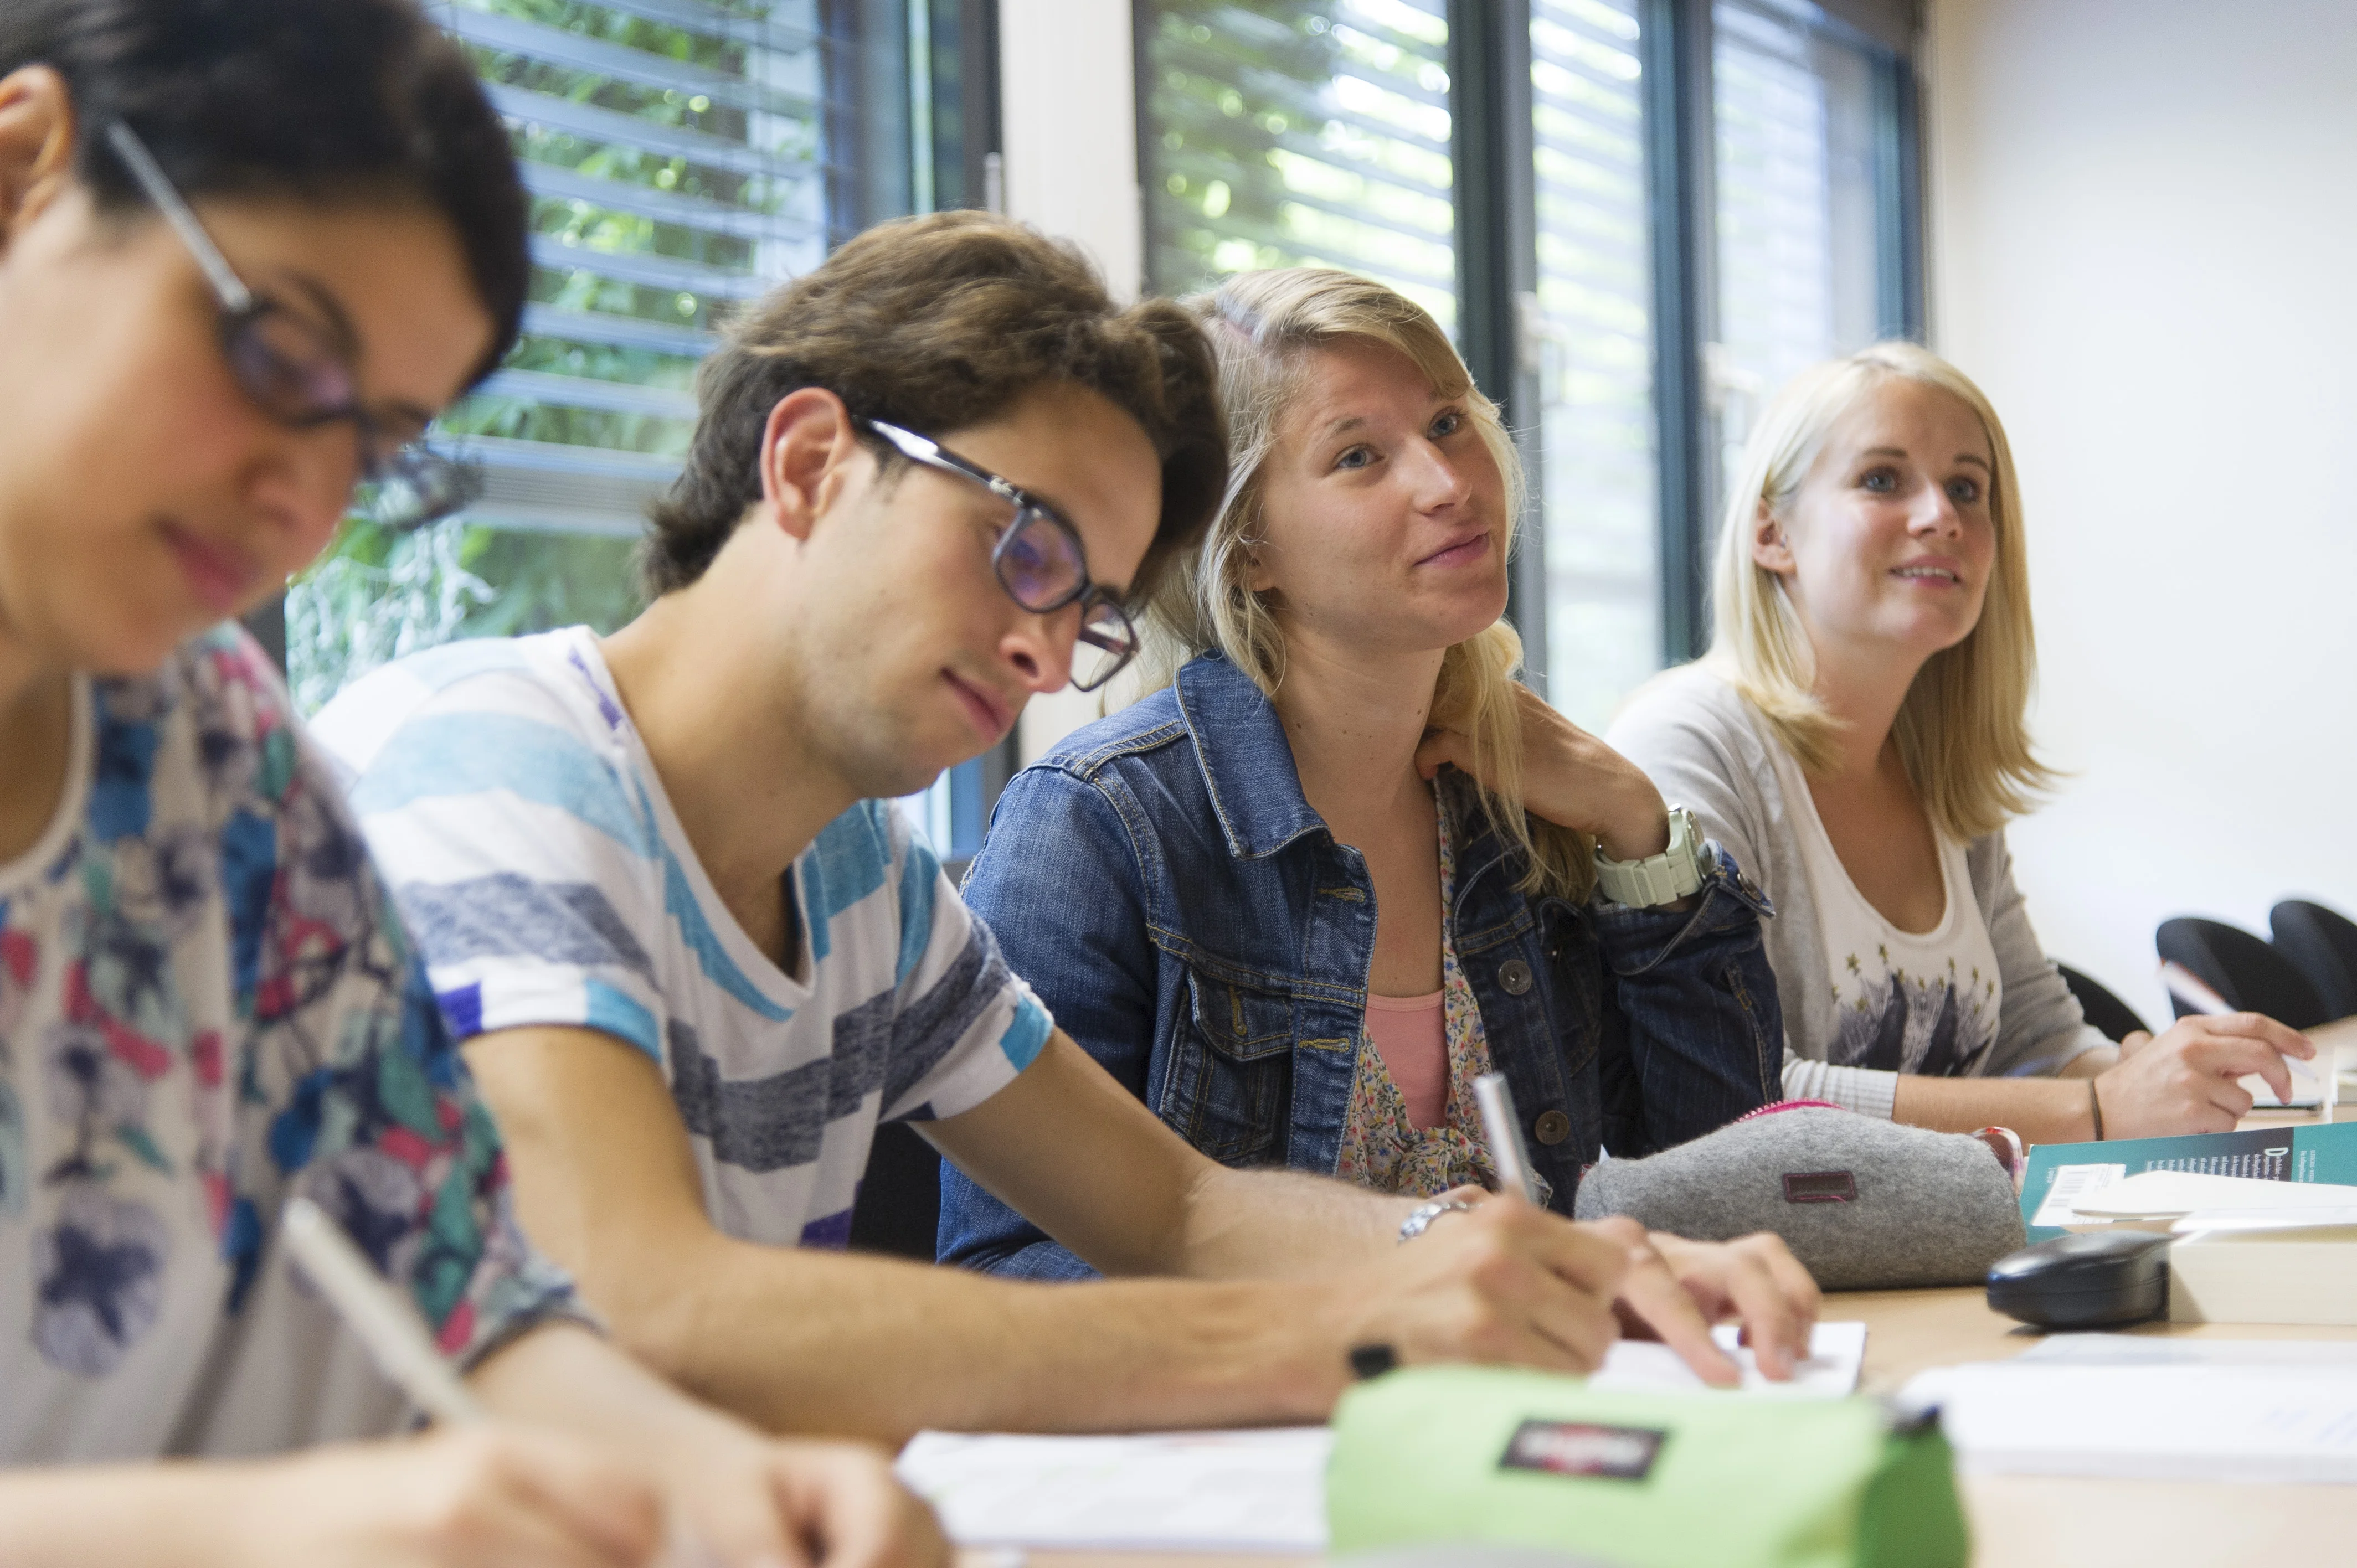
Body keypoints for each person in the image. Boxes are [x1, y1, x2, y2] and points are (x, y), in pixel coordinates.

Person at [317, 213, 1823, 1443]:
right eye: (1022, 547)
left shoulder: (866, 892)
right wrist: (1346, 1332)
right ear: (809, 464)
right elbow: (639, 1297)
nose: (1046, 654)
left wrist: (1528, 1269)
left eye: (1087, 608)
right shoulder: (495, 762)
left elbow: (1177, 1205)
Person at [0, 4, 946, 1563]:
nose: (304, 500)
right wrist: (250, 1533)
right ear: (28, 165)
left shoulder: (216, 759)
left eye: (374, 446)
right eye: (275, 353)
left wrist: (710, 1480)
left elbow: (465, 1288)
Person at [936, 267, 1802, 1344]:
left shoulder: (1518, 803)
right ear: (1244, 544)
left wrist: (1635, 830)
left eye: (1449, 421)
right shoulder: (1099, 824)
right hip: (1263, 1455)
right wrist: (1381, 1290)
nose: (1447, 482)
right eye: (1359, 457)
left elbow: (1720, 1166)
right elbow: (1007, 1273)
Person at [1606, 342, 2311, 1144]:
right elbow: (1747, 1090)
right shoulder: (1688, 743)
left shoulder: (1940, 771)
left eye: (1968, 489)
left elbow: (2037, 1036)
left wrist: (2149, 1071)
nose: (1942, 514)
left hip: (1939, 1250)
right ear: (1773, 532)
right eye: (1882, 479)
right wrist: (2096, 1110)